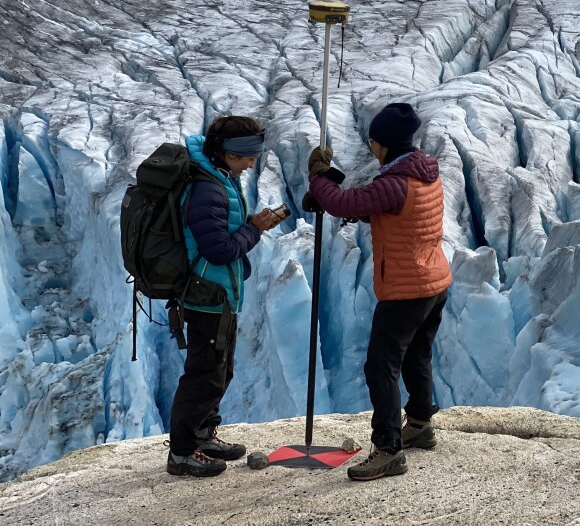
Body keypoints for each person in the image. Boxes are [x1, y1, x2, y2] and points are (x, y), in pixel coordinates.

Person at [307, 102, 452, 481]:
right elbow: (388, 211)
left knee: (380, 365)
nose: (371, 146)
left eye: (373, 141)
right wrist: (327, 193)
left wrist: (320, 178)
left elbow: (345, 202)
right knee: (416, 354)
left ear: (382, 144)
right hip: (433, 281)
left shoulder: (394, 183)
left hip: (407, 288)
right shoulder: (424, 171)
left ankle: (388, 449)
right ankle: (420, 423)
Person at [166, 116, 283, 477]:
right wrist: (255, 228)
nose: (252, 163)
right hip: (206, 295)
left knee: (220, 369)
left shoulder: (223, 180)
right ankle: (182, 452)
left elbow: (220, 230)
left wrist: (248, 223)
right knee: (205, 374)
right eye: (247, 157)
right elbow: (219, 249)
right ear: (228, 153)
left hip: (220, 293)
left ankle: (202, 434)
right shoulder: (208, 188)